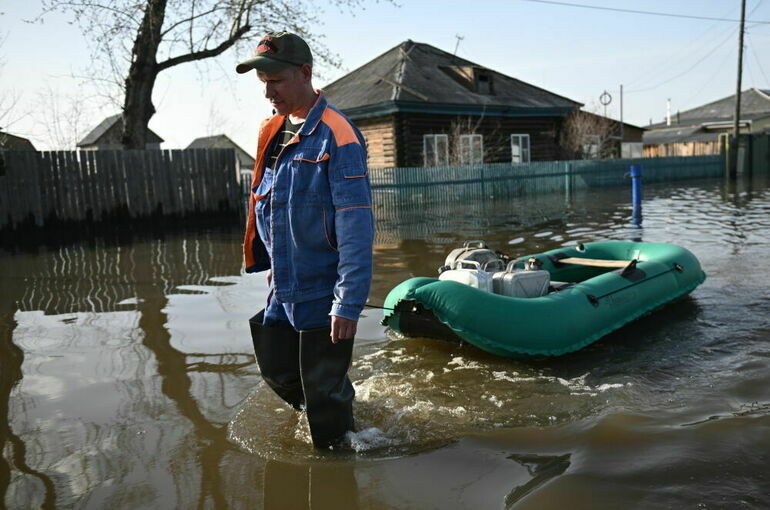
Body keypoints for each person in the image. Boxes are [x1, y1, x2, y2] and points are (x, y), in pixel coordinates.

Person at [236, 32, 374, 449]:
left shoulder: (338, 134)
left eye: (275, 80)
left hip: (321, 289)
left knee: (326, 415)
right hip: (284, 285)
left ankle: (341, 453)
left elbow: (356, 225)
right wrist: (272, 264)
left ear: (305, 73)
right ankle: (343, 415)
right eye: (263, 82)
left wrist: (348, 301)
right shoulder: (271, 131)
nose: (268, 91)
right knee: (276, 372)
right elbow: (268, 205)